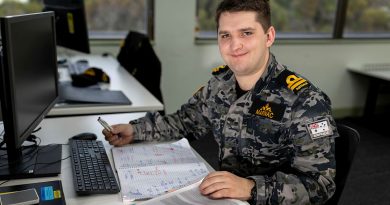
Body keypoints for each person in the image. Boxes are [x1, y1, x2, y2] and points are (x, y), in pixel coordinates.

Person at [103, 0, 338, 204]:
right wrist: (135, 131)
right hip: (223, 197)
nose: (234, 45)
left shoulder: (304, 101)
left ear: (269, 36)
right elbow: (184, 122)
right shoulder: (220, 83)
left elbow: (320, 185)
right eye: (225, 35)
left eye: (246, 33)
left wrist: (251, 187)